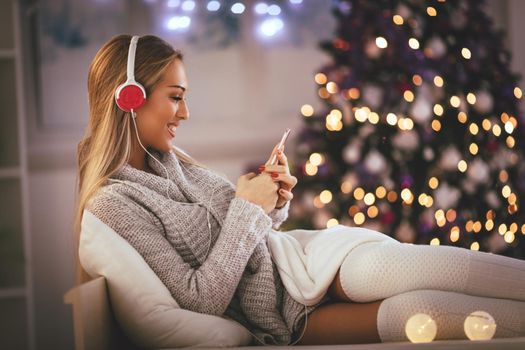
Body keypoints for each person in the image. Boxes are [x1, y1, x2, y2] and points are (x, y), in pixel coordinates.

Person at [74, 34, 525, 347]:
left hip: (305, 260)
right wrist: (249, 211)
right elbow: (199, 297)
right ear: (129, 97)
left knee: (412, 265)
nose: (185, 112)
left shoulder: (177, 165)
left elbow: (247, 235)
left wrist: (272, 202)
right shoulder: (116, 204)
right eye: (175, 96)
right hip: (284, 317)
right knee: (428, 310)